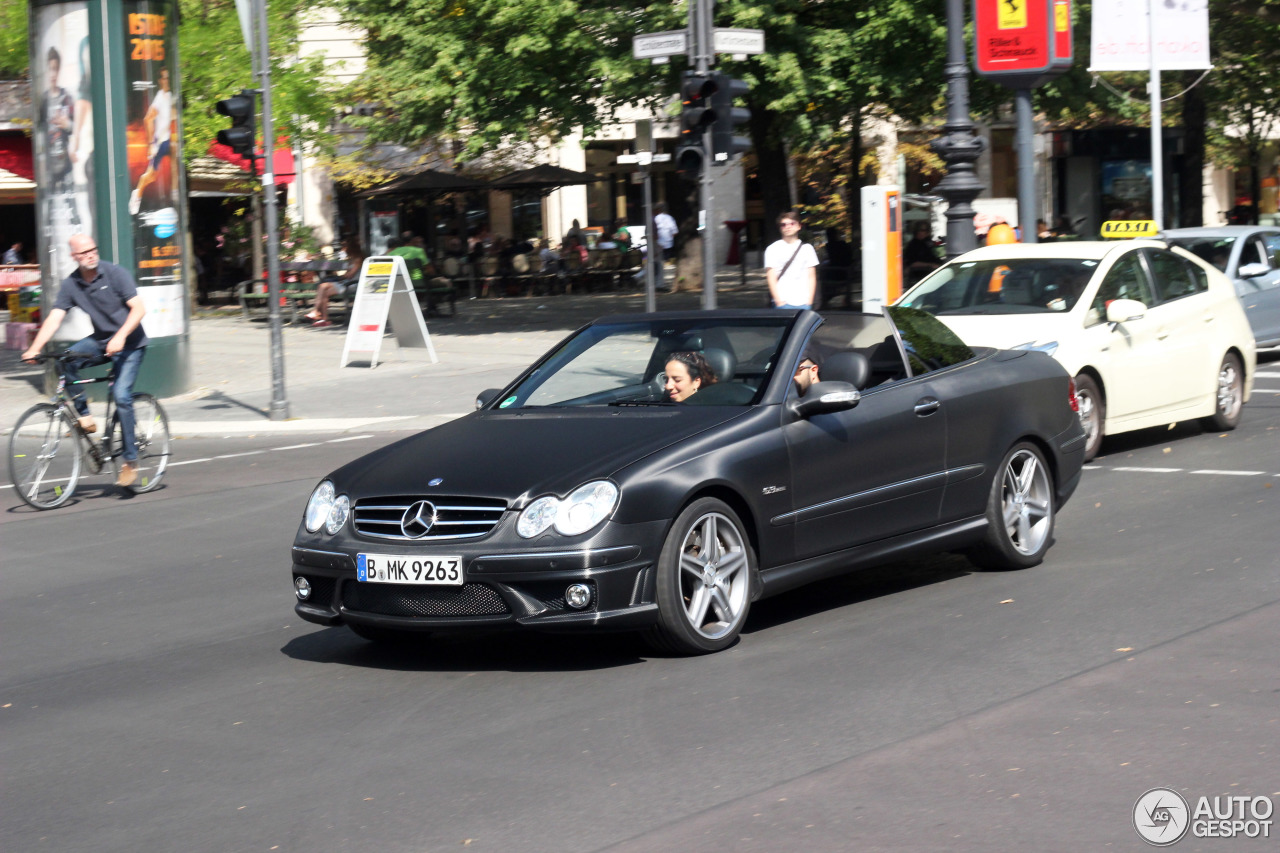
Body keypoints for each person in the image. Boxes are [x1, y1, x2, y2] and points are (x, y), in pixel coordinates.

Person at [21, 234, 148, 487]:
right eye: (84, 252)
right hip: (101, 341)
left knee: (122, 396)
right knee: (66, 361)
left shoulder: (115, 274)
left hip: (131, 343)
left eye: (93, 249)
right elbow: (55, 317)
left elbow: (139, 309)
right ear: (74, 257)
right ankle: (85, 417)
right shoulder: (72, 284)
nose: (91, 254)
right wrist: (34, 348)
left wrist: (121, 336)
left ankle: (130, 462)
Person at [128, 66, 173, 216]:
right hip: (160, 142)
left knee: (176, 164)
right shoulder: (160, 98)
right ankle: (137, 194)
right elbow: (147, 119)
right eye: (164, 78)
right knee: (151, 175)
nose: (166, 81)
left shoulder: (172, 95)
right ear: (160, 81)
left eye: (168, 78)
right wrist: (151, 144)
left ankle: (174, 195)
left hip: (170, 140)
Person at [765, 211, 819, 309]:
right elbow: (771, 277)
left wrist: (809, 301)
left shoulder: (807, 248)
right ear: (780, 228)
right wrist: (778, 301)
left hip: (804, 302)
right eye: (783, 224)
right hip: (782, 302)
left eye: (792, 223)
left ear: (799, 226)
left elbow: (811, 276)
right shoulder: (772, 249)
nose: (788, 227)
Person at [306, 238, 364, 327]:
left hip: (352, 285)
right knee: (323, 290)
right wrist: (337, 277)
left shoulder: (358, 259)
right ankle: (324, 319)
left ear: (351, 248)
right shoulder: (351, 260)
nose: (343, 249)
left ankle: (316, 311)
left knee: (322, 286)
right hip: (345, 283)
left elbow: (350, 275)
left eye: (345, 247)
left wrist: (338, 277)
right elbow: (347, 275)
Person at [651, 203, 678, 288]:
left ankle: (658, 283)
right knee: (659, 264)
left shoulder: (654, 218)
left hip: (657, 243)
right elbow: (675, 232)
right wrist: (668, 239)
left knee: (656, 263)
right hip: (667, 244)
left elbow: (654, 233)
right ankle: (659, 283)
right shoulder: (670, 218)